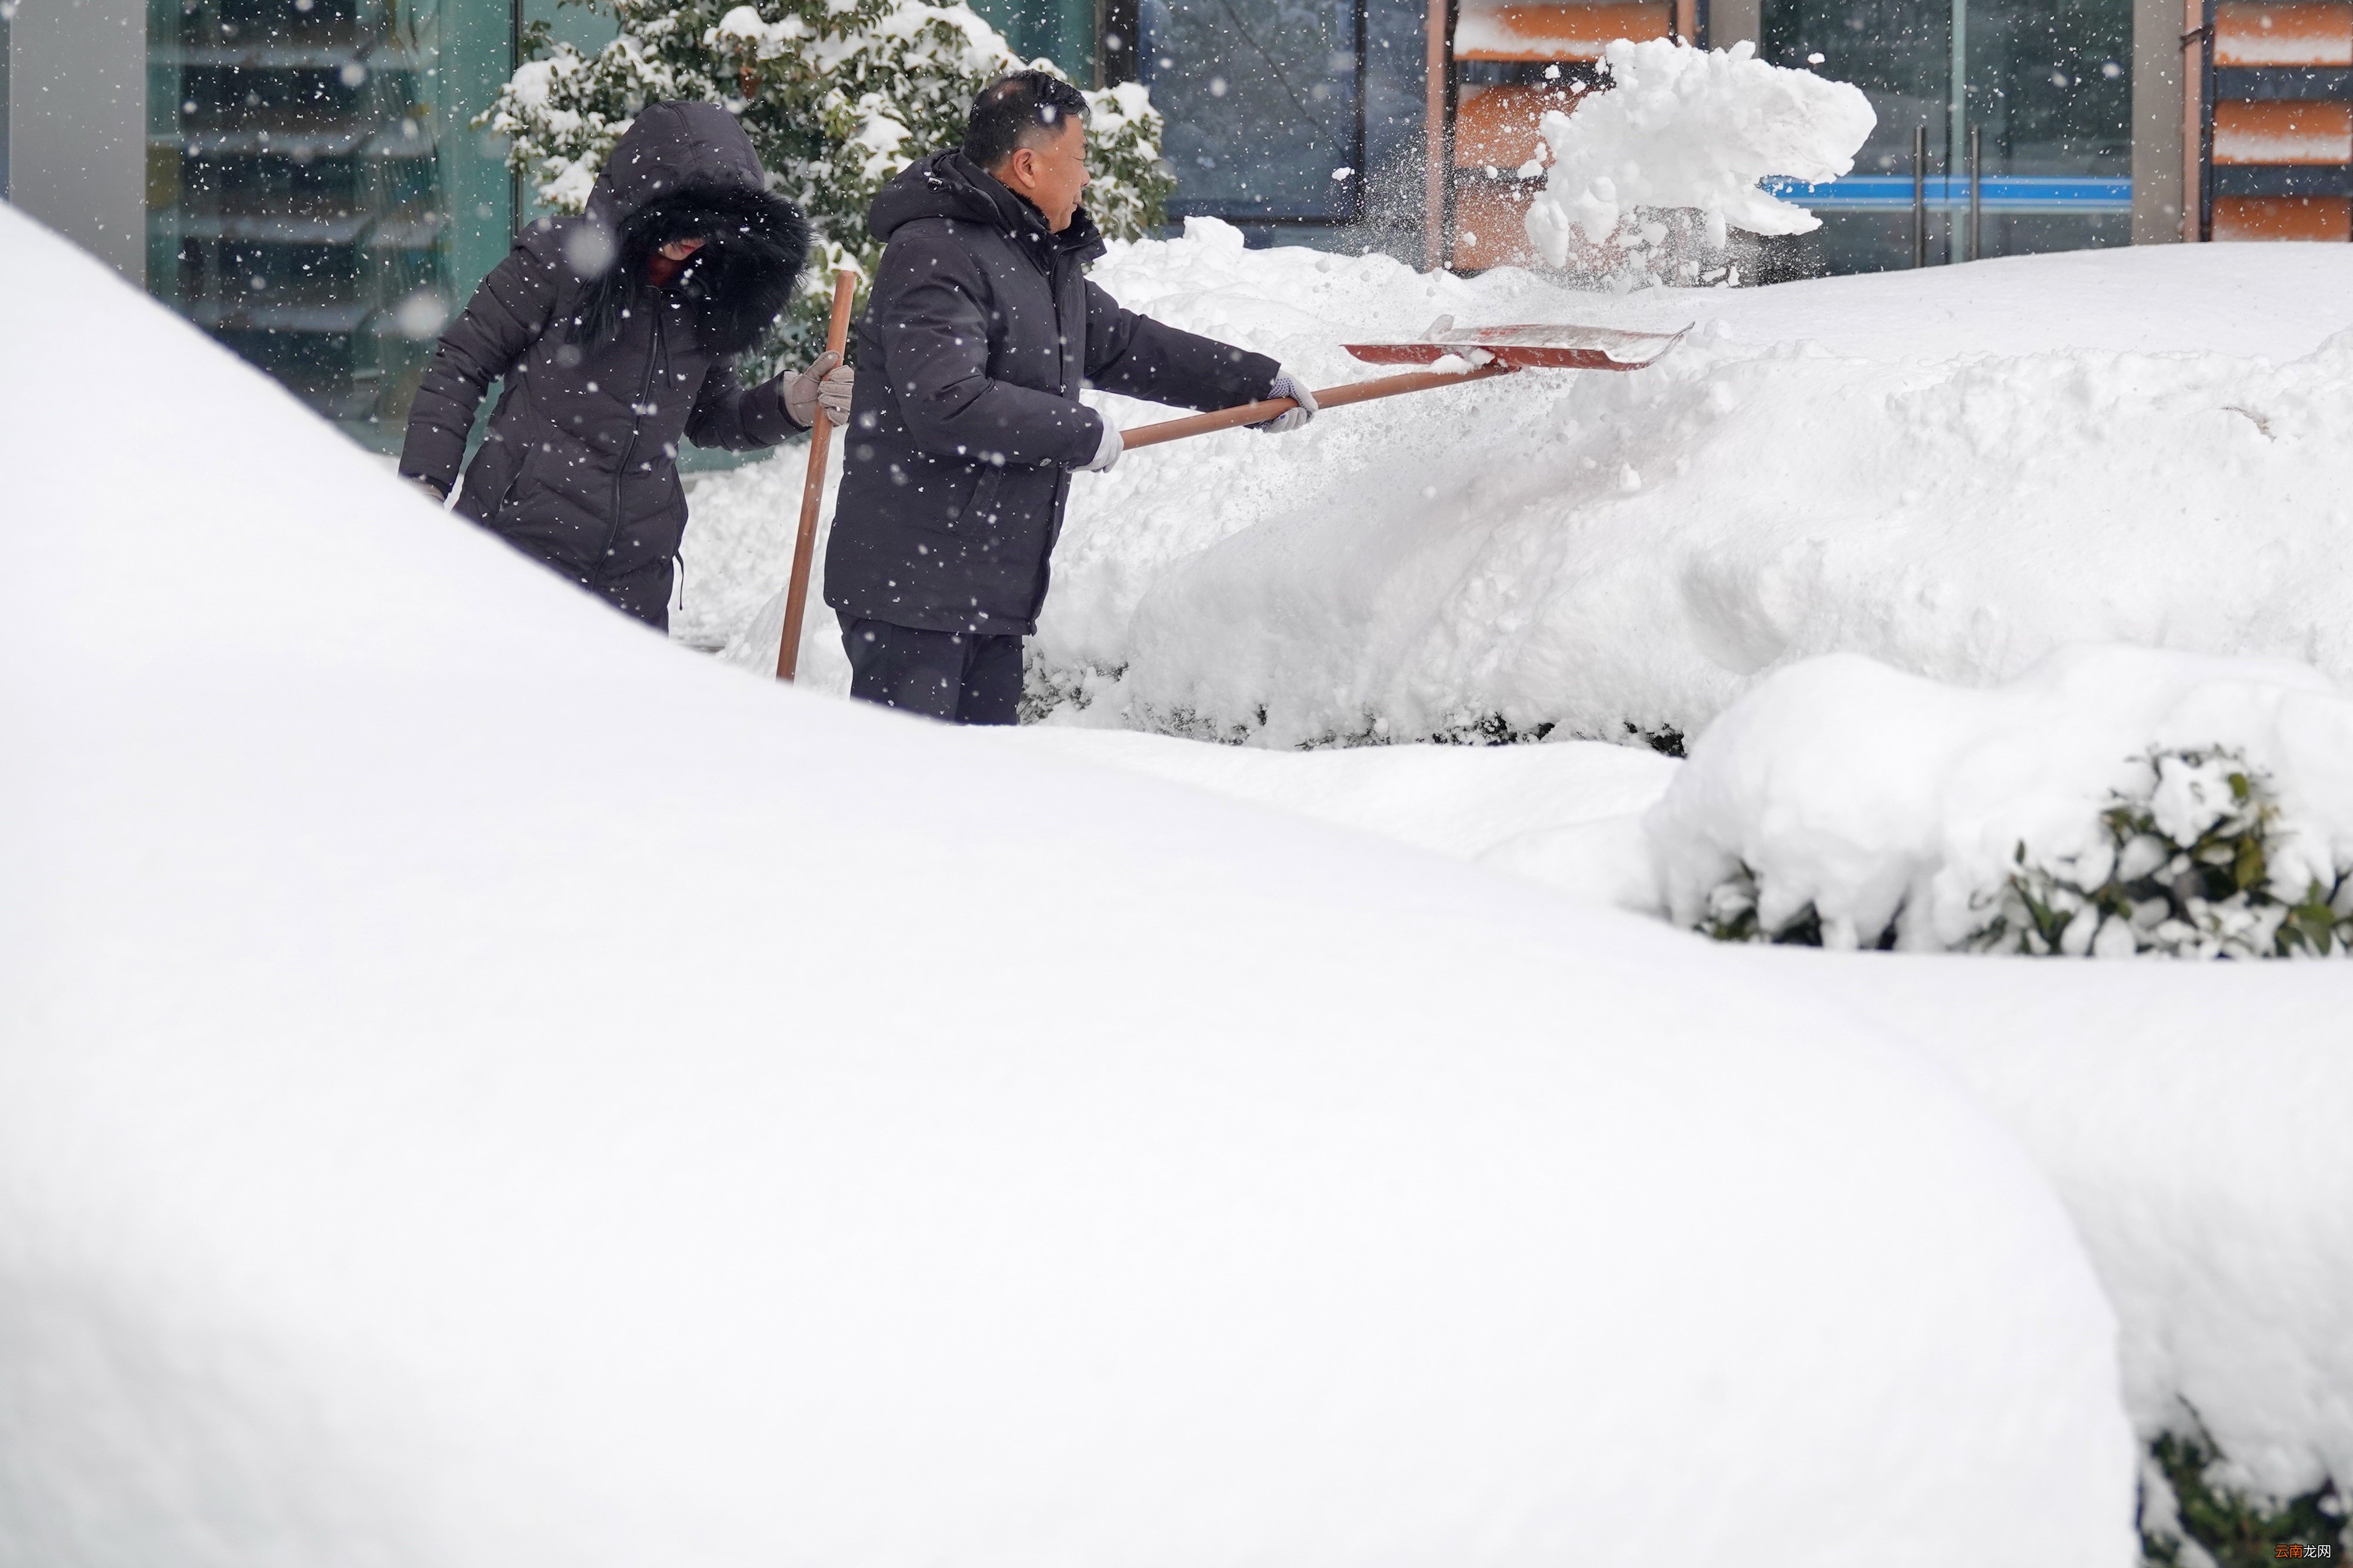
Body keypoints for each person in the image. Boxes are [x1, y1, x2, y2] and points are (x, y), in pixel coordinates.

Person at [823, 71, 1317, 725]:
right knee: (909, 799)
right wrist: (1076, 432)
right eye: (1079, 160)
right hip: (914, 592)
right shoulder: (935, 253)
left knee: (981, 797)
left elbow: (1121, 343)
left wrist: (1251, 382)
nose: (1085, 178)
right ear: (1027, 166)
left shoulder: (1035, 258)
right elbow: (944, 401)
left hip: (987, 585)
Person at [399, 101, 852, 631]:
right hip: (518, 553)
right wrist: (424, 487)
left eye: (711, 222)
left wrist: (788, 405)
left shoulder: (707, 292)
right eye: (682, 217)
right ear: (637, 202)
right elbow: (461, 364)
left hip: (636, 579)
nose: (694, 236)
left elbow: (711, 416)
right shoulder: (556, 260)